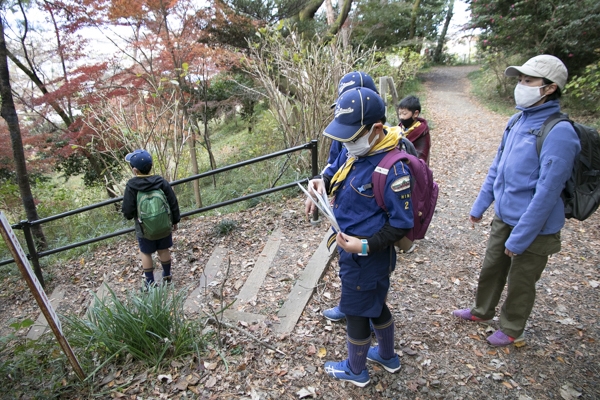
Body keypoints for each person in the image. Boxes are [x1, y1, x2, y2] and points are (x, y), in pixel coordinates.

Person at [452, 55, 580, 347]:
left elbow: (547, 192)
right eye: (520, 80)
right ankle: (482, 311)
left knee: (521, 281)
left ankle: (512, 328)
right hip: (505, 216)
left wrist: (520, 237)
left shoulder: (560, 132)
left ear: (549, 88)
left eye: (528, 81)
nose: (520, 86)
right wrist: (480, 205)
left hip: (536, 227)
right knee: (491, 267)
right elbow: (498, 167)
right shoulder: (516, 120)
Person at [305, 87, 414, 387]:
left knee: (355, 311)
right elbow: (337, 177)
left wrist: (364, 244)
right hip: (359, 255)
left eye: (352, 137)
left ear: (376, 129)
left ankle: (356, 370)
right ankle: (388, 356)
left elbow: (401, 224)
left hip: (366, 257)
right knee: (376, 304)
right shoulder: (359, 155)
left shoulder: (393, 168)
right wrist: (321, 183)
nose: (347, 144)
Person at [122, 149, 181, 289]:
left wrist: (131, 216)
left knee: (146, 252)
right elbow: (173, 201)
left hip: (143, 226)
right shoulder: (161, 181)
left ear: (135, 170)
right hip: (163, 224)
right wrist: (175, 220)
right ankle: (167, 275)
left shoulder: (132, 185)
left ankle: (150, 282)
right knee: (163, 249)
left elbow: (128, 210)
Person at [397, 95, 431, 165]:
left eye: (404, 114)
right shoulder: (398, 128)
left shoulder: (422, 132)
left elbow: (421, 158)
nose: (401, 117)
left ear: (415, 114)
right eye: (399, 114)